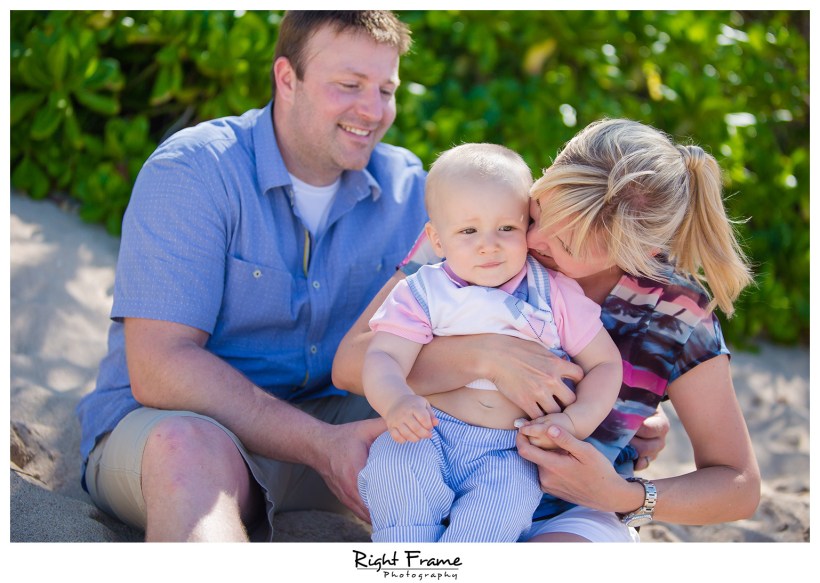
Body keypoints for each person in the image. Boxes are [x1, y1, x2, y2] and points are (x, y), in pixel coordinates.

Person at [75, 11, 428, 542]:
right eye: (350, 86)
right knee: (185, 451)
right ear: (287, 79)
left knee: (467, 412)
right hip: (184, 429)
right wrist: (319, 444)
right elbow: (160, 366)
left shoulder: (410, 190)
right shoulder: (194, 171)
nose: (373, 111)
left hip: (337, 429)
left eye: (386, 89)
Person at [333, 118, 760, 542]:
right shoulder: (482, 229)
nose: (532, 242)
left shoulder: (673, 313)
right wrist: (486, 357)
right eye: (537, 214)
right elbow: (352, 363)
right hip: (440, 474)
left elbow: (738, 485)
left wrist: (623, 494)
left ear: (636, 254)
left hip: (571, 510)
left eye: (566, 245)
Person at [358, 143, 622, 542]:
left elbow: (605, 363)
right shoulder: (423, 292)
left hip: (509, 450)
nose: (489, 244)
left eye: (507, 228)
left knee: (495, 516)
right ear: (438, 239)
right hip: (430, 431)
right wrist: (395, 401)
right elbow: (383, 356)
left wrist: (575, 420)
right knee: (394, 473)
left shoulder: (553, 293)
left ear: (527, 229)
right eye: (468, 230)